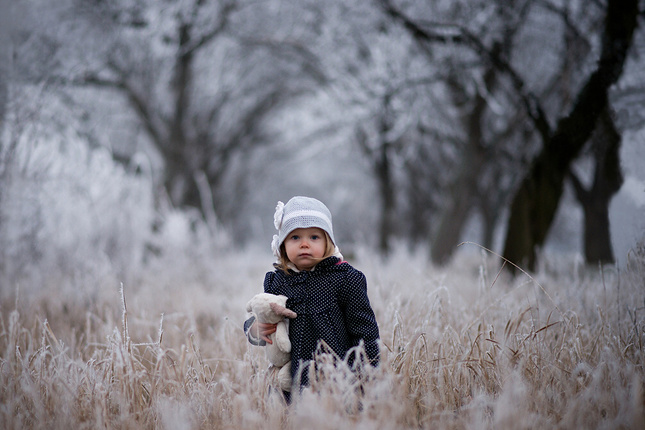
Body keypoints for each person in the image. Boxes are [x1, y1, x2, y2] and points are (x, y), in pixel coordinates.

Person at [244, 196, 380, 395]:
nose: (304, 244)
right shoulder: (278, 281)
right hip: (289, 384)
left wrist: (366, 378)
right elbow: (261, 319)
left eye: (314, 237)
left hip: (336, 383)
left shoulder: (345, 279)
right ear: (282, 245)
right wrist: (256, 329)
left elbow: (365, 332)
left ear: (328, 241)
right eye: (295, 237)